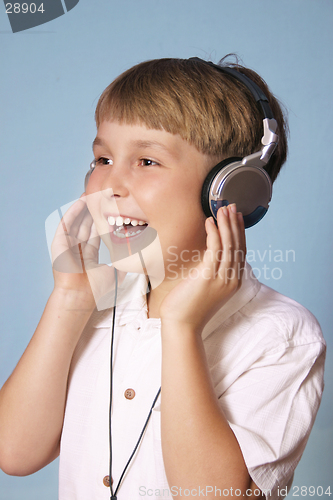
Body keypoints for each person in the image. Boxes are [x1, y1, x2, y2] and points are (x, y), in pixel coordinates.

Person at [0, 57, 326, 500]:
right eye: (103, 158)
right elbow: (15, 453)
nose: (108, 184)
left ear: (230, 190)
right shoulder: (94, 301)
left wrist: (182, 328)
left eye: (147, 160)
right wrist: (69, 297)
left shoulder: (283, 335)